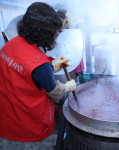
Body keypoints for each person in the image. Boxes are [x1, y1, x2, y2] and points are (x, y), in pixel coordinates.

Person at [0, 2, 76, 150]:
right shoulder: (39, 62)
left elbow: (24, 72)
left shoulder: (10, 45)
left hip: (6, 120)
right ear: (45, 33)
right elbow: (54, 92)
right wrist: (67, 86)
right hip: (29, 128)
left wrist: (51, 68)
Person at [57, 9, 86, 85]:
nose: (60, 21)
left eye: (62, 19)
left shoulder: (72, 28)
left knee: (79, 83)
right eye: (58, 19)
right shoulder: (56, 29)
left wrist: (70, 22)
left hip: (75, 59)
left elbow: (76, 38)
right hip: (64, 60)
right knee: (67, 81)